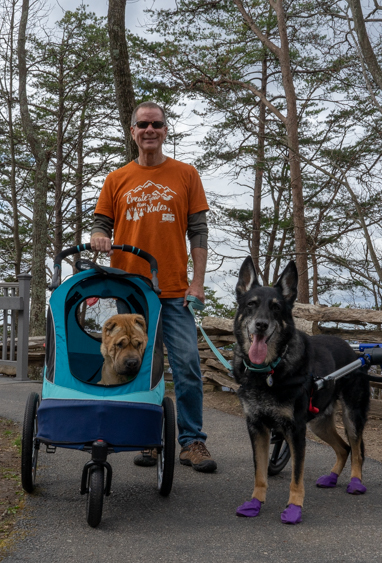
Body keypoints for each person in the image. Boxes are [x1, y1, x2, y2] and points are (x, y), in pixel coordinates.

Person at [90, 101, 216, 473]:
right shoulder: (117, 179)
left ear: (165, 131)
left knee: (187, 366)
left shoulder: (186, 175)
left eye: (157, 124)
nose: (150, 130)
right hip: (129, 292)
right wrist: (99, 235)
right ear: (132, 131)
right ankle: (148, 439)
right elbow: (101, 223)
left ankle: (192, 442)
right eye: (143, 124)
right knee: (139, 365)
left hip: (174, 290)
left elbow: (199, 231)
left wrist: (197, 283)